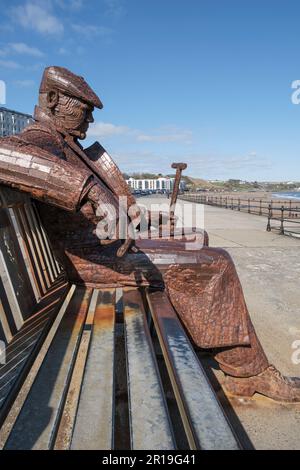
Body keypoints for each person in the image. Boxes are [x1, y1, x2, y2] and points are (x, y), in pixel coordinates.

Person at [0, 66, 299, 402]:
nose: (90, 120)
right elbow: (5, 155)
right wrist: (90, 192)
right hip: (94, 258)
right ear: (54, 99)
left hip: (108, 246)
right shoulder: (39, 139)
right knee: (215, 262)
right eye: (85, 110)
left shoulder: (67, 145)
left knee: (197, 238)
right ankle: (250, 372)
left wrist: (141, 216)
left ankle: (204, 338)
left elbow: (119, 210)